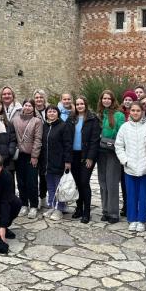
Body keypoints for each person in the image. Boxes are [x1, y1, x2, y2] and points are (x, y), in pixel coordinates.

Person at [115, 101, 146, 232]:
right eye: (133, 110)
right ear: (129, 112)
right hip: (129, 167)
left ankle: (141, 220)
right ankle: (132, 219)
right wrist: (125, 161)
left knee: (144, 195)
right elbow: (119, 146)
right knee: (131, 194)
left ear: (142, 112)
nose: (135, 113)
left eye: (138, 111)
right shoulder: (124, 127)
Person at [66, 95, 101, 224]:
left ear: (85, 105)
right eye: (78, 104)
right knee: (77, 183)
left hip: (86, 155)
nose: (80, 106)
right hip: (74, 155)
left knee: (84, 182)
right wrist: (67, 158)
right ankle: (79, 208)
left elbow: (94, 140)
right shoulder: (71, 119)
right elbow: (67, 139)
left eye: (82, 104)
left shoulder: (92, 119)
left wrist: (90, 157)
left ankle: (87, 212)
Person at [97, 90, 125, 223]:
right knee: (102, 182)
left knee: (112, 182)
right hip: (100, 152)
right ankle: (105, 210)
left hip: (113, 152)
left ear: (113, 100)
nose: (106, 100)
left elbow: (121, 133)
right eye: (104, 98)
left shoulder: (119, 115)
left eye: (109, 98)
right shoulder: (99, 114)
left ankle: (113, 213)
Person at [12, 100, 43, 219]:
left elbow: (38, 139)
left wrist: (35, 156)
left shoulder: (37, 121)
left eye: (30, 105)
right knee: (20, 181)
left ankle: (34, 205)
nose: (28, 107)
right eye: (26, 105)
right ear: (22, 106)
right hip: (18, 155)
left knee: (32, 182)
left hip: (31, 156)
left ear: (33, 108)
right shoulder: (15, 120)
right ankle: (24, 204)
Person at [41, 105, 72, 220]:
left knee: (59, 186)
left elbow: (68, 144)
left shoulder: (63, 126)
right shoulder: (45, 126)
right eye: (49, 111)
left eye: (54, 111)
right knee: (50, 186)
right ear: (46, 114)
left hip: (59, 161)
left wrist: (67, 161)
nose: (51, 113)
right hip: (47, 162)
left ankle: (60, 208)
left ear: (58, 113)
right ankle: (52, 206)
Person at [32, 89, 49, 207]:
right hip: (34, 146)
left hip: (46, 147)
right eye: (37, 97)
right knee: (33, 175)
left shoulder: (49, 110)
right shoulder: (31, 111)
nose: (39, 99)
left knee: (44, 174)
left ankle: (43, 197)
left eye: (41, 97)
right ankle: (34, 199)